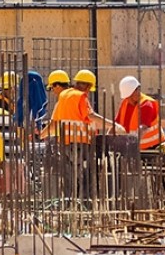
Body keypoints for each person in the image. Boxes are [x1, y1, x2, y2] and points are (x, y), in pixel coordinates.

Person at [40, 69, 125, 200]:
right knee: (86, 176)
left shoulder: (63, 97)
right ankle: (85, 204)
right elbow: (91, 115)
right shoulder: (80, 97)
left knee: (69, 178)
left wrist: (41, 135)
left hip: (65, 145)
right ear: (89, 86)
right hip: (81, 145)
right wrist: (113, 125)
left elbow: (54, 123)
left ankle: (69, 204)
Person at [115, 76, 165, 150]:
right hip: (134, 148)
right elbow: (116, 124)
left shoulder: (147, 104)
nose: (129, 100)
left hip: (153, 148)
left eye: (131, 96)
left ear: (138, 90)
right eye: (127, 97)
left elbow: (143, 128)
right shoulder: (125, 103)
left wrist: (133, 144)